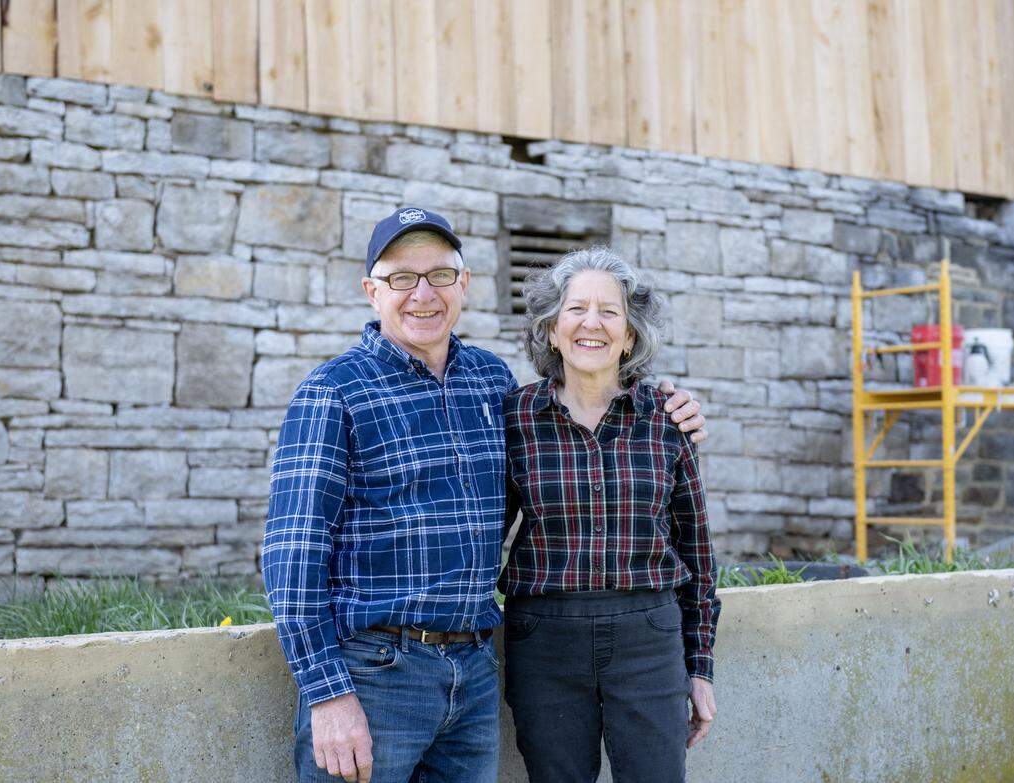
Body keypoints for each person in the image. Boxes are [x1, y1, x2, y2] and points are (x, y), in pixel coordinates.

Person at [263, 207, 708, 783]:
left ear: (463, 284)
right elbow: (291, 554)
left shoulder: (489, 381)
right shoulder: (333, 393)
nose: (422, 293)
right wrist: (326, 696)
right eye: (402, 278)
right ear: (372, 291)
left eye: (440, 275)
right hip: (376, 675)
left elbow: (574, 427)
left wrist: (671, 400)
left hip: (473, 672)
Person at [500, 246, 721, 783]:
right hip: (544, 639)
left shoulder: (668, 420)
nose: (590, 324)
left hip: (648, 637)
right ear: (551, 329)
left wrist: (700, 666)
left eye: (609, 311)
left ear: (629, 335)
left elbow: (698, 552)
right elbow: (481, 534)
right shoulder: (514, 419)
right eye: (575, 309)